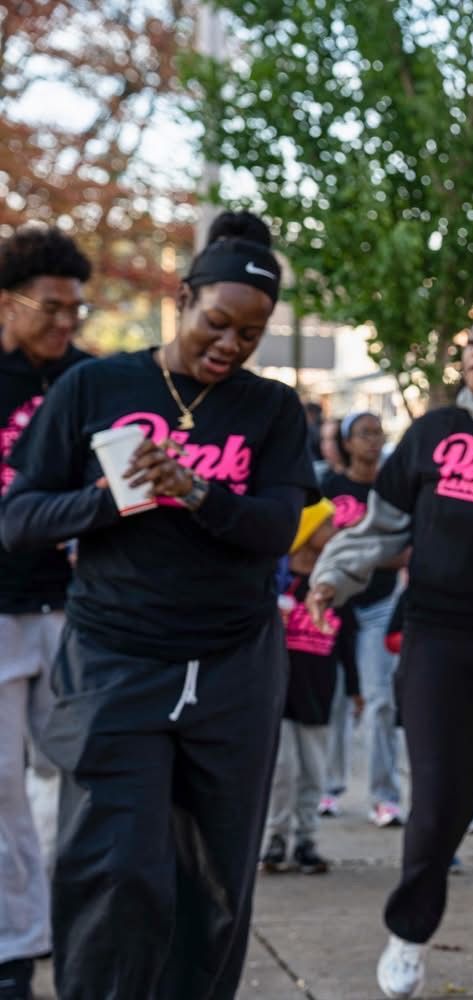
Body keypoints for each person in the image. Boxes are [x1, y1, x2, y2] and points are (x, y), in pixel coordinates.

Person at [0, 211, 317, 1000]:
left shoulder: (271, 409)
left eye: (251, 333)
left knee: (214, 882)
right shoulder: (96, 386)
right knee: (118, 868)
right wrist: (108, 500)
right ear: (182, 297)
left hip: (234, 668)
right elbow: (19, 517)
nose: (230, 345)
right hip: (114, 662)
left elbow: (278, 526)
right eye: (217, 322)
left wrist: (200, 492)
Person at [306, 313, 473, 1000]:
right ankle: (410, 931)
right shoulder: (431, 433)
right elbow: (381, 524)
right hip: (437, 636)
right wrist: (335, 575)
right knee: (441, 804)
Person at [0, 225, 92, 1000]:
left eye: (76, 311)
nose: (67, 324)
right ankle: (15, 949)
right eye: (52, 308)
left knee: (79, 769)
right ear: (8, 304)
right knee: (0, 785)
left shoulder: (90, 381)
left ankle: (77, 923)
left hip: (73, 606)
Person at [262, 499, 362, 876]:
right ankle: (276, 837)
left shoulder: (332, 586)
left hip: (318, 693)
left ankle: (306, 840)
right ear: (306, 534)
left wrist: (354, 686)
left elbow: (347, 639)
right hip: (280, 693)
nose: (334, 531)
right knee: (282, 770)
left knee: (313, 771)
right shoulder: (278, 583)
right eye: (326, 525)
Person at [320, 410, 406, 827]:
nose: (373, 440)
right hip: (336, 606)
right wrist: (373, 554)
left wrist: (355, 551)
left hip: (380, 607)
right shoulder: (329, 486)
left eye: (378, 432)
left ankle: (384, 797)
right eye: (363, 433)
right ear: (346, 442)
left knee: (380, 702)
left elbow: (406, 549)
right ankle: (328, 788)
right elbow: (316, 544)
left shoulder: (393, 489)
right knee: (334, 701)